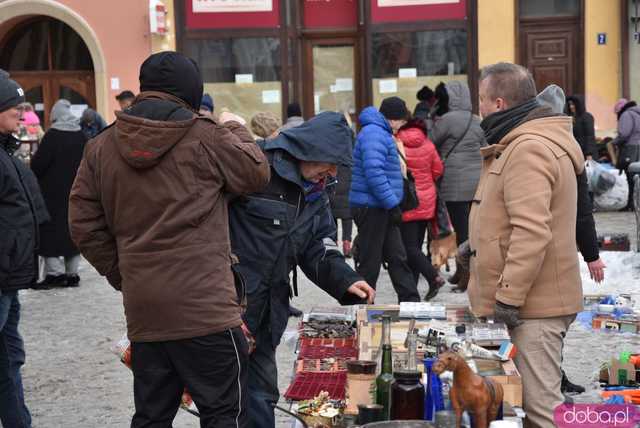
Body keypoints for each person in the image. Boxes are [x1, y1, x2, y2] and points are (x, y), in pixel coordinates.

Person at [69, 51, 271, 428]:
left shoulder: (101, 146)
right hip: (205, 309)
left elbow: (84, 224)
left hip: (147, 309)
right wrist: (236, 127)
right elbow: (255, 172)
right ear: (192, 91)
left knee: (152, 416)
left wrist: (127, 274)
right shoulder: (207, 135)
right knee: (226, 413)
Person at [229, 111, 375, 428]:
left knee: (262, 395)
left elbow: (318, 244)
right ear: (309, 149)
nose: (332, 172)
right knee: (227, 401)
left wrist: (346, 280)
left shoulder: (317, 187)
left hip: (269, 311)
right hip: (230, 308)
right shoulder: (256, 167)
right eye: (329, 162)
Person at [470, 62, 584, 427]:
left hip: (535, 308)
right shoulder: (520, 142)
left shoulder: (528, 148)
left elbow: (532, 233)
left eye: (482, 101)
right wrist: (475, 249)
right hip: (532, 303)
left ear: (499, 103)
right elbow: (510, 217)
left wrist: (508, 298)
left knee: (541, 411)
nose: (479, 110)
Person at [0, 70, 50, 428]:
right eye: (13, 106)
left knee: (9, 359)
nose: (22, 112)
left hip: (9, 278)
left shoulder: (6, 151)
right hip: (2, 274)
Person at [350, 97, 420, 303]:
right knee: (370, 262)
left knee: (398, 257)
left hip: (380, 206)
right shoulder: (374, 133)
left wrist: (390, 206)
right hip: (372, 207)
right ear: (393, 118)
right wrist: (392, 204)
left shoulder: (378, 132)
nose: (402, 125)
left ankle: (411, 304)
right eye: (401, 121)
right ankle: (361, 308)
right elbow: (374, 173)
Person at [431, 80, 486, 291]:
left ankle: (468, 277)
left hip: (454, 185)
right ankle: (462, 272)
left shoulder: (445, 120)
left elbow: (430, 142)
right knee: (472, 230)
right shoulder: (476, 120)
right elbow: (485, 147)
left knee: (462, 231)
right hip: (477, 184)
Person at [31, 100, 87, 288]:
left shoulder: (52, 136)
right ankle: (72, 274)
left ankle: (54, 274)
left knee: (50, 231)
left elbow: (38, 165)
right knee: (72, 230)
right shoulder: (81, 136)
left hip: (51, 193)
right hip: (76, 191)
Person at [397, 118, 445, 300]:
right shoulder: (428, 144)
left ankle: (433, 277)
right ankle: (413, 291)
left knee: (409, 248)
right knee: (415, 247)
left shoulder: (398, 144)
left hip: (407, 201)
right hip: (426, 201)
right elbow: (438, 170)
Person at [613, 98, 640, 210]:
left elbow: (624, 134)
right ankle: (634, 203)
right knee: (637, 175)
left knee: (631, 176)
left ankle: (631, 204)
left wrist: (614, 142)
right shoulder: (637, 113)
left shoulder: (626, 114)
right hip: (638, 147)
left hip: (630, 148)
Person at [565, 95, 596, 160]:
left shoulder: (587, 117)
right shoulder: (569, 118)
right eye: (570, 104)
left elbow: (589, 136)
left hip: (585, 153)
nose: (571, 107)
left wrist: (589, 154)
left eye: (573, 104)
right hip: (574, 151)